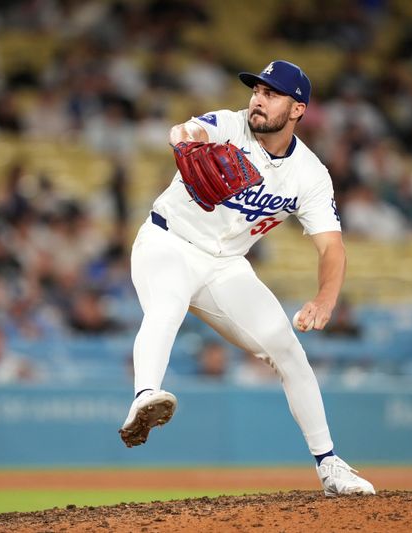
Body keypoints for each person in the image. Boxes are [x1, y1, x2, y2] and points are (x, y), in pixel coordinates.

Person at [118, 60, 374, 497]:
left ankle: (329, 464)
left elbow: (331, 246)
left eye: (271, 94)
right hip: (168, 242)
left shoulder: (309, 174)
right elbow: (184, 131)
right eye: (257, 89)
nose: (258, 98)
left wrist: (325, 299)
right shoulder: (229, 126)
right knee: (167, 305)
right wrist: (184, 145)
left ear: (297, 109)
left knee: (287, 349)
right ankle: (145, 395)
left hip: (226, 264)